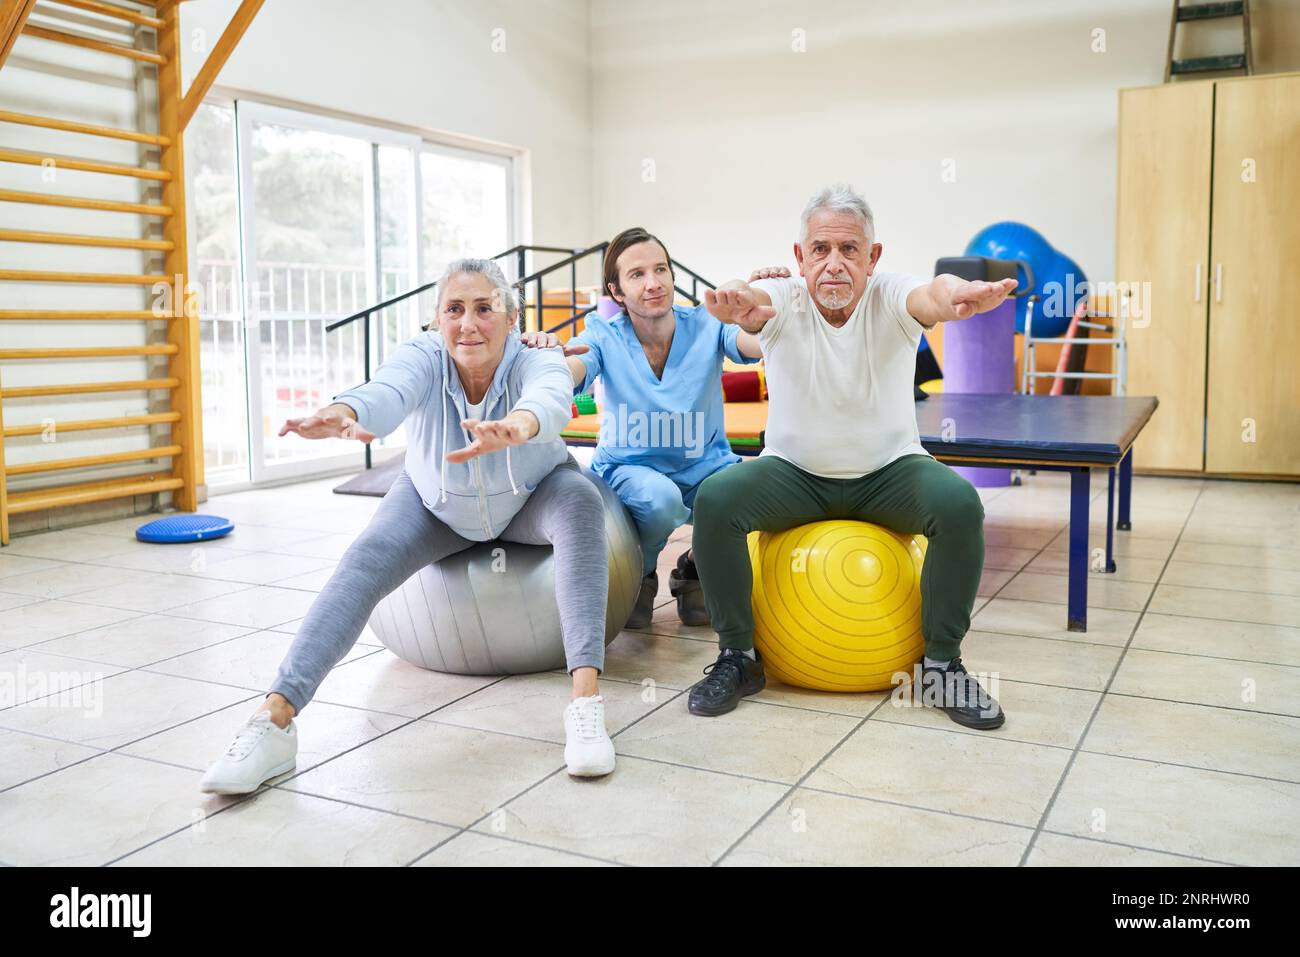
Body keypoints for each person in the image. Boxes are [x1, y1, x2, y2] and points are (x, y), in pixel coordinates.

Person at [200, 258, 618, 794]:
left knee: (582, 501)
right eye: (454, 309)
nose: (468, 323)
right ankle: (275, 720)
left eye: (484, 309)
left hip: (531, 495)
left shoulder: (536, 358)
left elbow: (552, 398)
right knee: (364, 559)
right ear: (438, 320)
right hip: (435, 503)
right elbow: (388, 391)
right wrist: (344, 409)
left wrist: (517, 426)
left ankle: (585, 707)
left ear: (511, 319)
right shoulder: (423, 356)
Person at [690, 184, 1016, 729]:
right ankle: (739, 658)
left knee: (958, 504)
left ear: (873, 257)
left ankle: (940, 665)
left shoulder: (891, 294)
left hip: (889, 473)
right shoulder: (784, 299)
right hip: (793, 475)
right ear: (800, 257)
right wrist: (733, 293)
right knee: (718, 500)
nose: (834, 264)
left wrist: (957, 294)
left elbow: (932, 295)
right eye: (820, 249)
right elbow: (750, 303)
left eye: (849, 250)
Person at [524, 227, 765, 628]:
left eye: (661, 270)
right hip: (631, 469)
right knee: (660, 499)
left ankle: (694, 566)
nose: (654, 284)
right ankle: (642, 571)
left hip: (706, 466)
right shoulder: (604, 334)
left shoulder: (706, 323)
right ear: (616, 291)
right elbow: (577, 367)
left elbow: (753, 346)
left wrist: (761, 324)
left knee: (760, 490)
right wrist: (545, 363)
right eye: (637, 275)